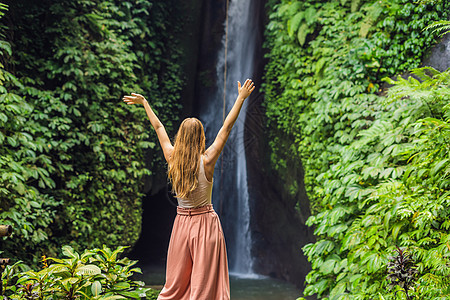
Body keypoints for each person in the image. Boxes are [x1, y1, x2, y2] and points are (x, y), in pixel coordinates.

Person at [123, 79, 255, 300]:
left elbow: (158, 127)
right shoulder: (208, 160)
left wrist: (145, 102)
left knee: (175, 285)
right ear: (201, 137)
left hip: (182, 224)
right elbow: (226, 128)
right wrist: (241, 98)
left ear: (181, 137)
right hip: (206, 225)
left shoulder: (172, 157)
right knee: (204, 287)